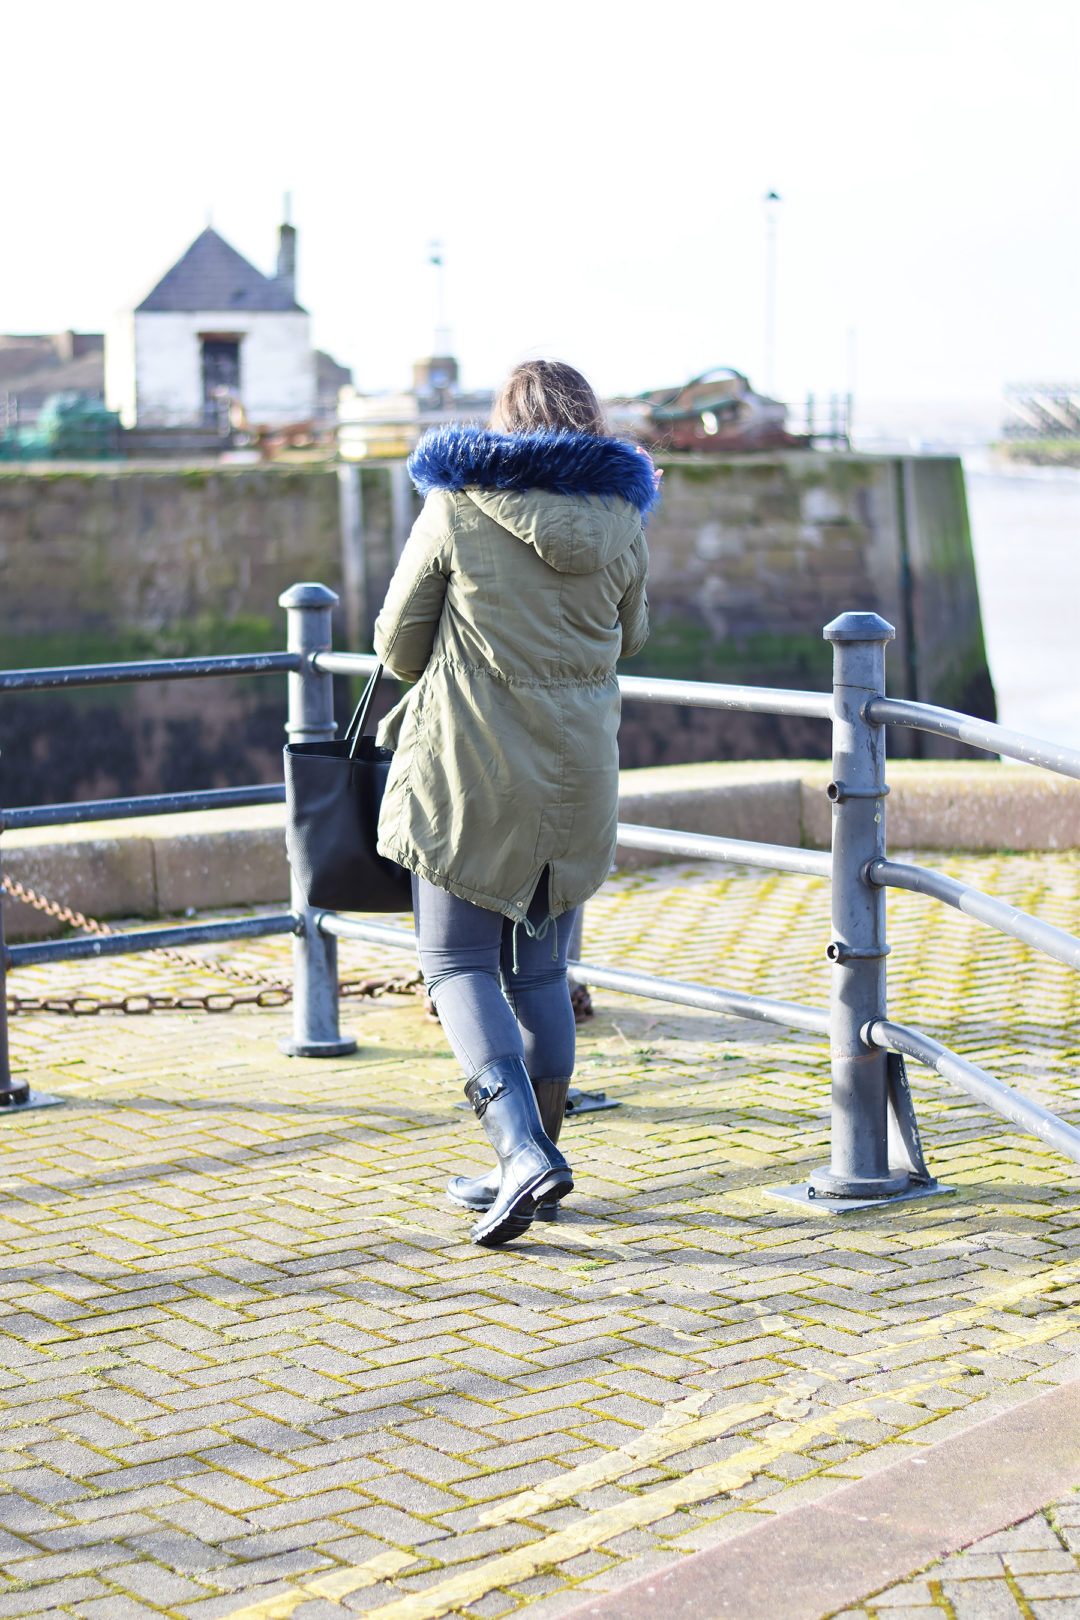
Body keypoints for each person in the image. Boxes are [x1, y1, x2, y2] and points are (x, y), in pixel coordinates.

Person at [372, 360, 656, 1246]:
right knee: (539, 976)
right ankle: (531, 1160)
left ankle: (520, 1154)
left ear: (505, 424)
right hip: (578, 782)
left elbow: (397, 647)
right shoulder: (621, 521)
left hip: (472, 776)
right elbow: (632, 634)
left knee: (456, 966)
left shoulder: (458, 504)